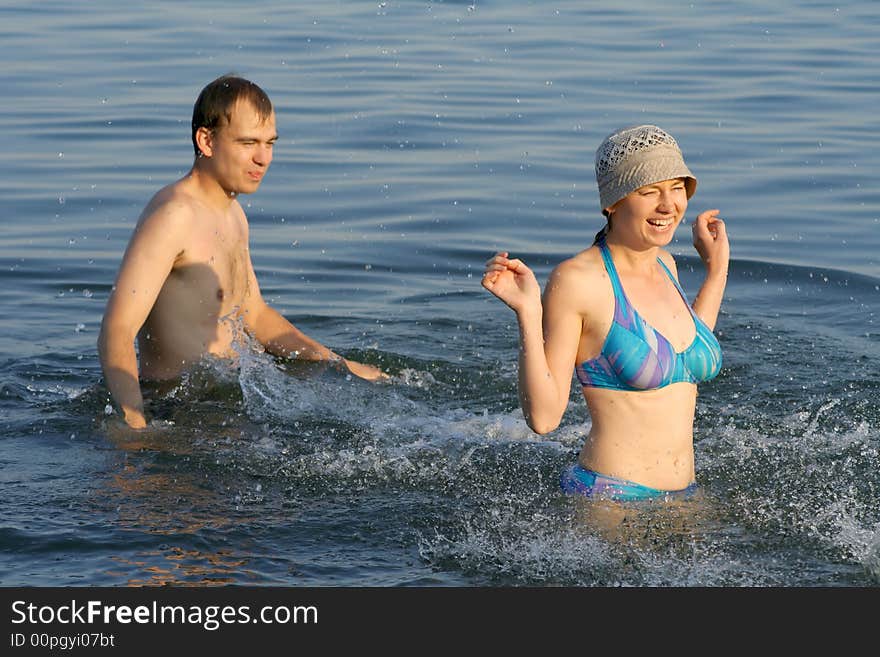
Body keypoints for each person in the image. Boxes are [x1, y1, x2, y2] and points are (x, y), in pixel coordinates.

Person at [98, 74, 386, 430]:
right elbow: (117, 330)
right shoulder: (174, 216)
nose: (263, 158)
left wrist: (339, 366)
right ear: (206, 140)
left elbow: (254, 314)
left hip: (227, 397)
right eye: (248, 142)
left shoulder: (232, 213)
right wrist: (135, 427)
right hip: (177, 409)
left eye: (270, 143)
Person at [482, 124, 728, 502]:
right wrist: (529, 313)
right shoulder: (580, 279)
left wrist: (716, 270)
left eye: (677, 188)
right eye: (649, 191)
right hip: (611, 499)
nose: (668, 205)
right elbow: (544, 419)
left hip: (684, 497)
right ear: (612, 202)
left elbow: (685, 354)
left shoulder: (665, 264)